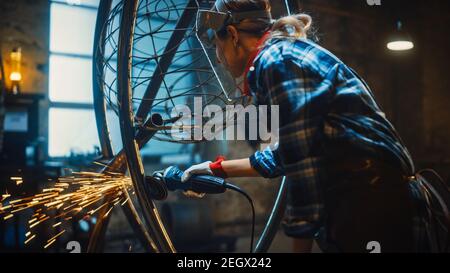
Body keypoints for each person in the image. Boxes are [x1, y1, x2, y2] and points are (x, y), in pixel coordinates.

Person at [184, 0, 438, 252]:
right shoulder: (287, 53)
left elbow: (302, 167)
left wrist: (299, 242)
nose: (218, 58)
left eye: (217, 46)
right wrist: (215, 169)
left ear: (232, 34)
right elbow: (288, 154)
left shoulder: (275, 62)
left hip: (370, 202)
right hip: (384, 198)